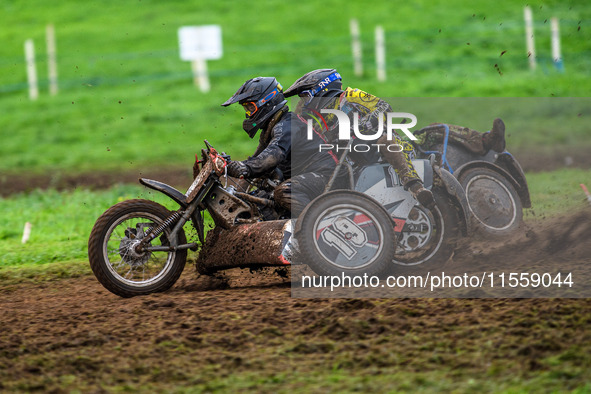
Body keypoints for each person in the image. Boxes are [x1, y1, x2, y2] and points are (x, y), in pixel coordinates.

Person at [284, 69, 436, 209]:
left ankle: (415, 186)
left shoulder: (351, 96)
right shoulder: (319, 116)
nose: (303, 102)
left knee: (385, 140)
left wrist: (361, 124)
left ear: (322, 89)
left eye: (305, 96)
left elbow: (384, 107)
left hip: (381, 143)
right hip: (352, 157)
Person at [221, 77, 336, 216]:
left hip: (326, 175)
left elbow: (272, 155)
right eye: (246, 108)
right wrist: (236, 188)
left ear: (267, 102)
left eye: (251, 107)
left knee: (285, 191)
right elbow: (256, 161)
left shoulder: (287, 124)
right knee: (254, 203)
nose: (248, 113)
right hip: (305, 177)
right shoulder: (270, 129)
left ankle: (312, 230)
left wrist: (244, 167)